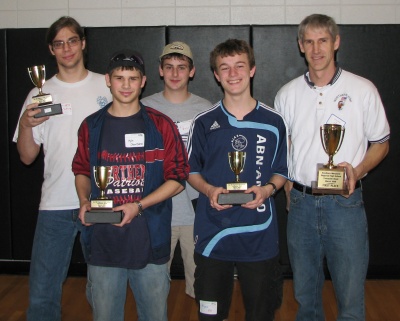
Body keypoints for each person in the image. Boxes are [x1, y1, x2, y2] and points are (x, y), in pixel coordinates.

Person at [274, 14, 390, 321]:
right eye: (309, 42)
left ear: (336, 42)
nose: (316, 49)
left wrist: (358, 170)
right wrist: (288, 189)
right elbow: (283, 150)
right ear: (300, 46)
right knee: (305, 296)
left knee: (350, 297)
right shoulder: (286, 94)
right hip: (301, 204)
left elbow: (382, 144)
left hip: (345, 203)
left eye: (323, 40)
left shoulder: (363, 89)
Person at [72, 49, 189, 321]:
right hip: (104, 243)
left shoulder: (161, 125)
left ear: (143, 81)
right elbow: (81, 170)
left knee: (154, 316)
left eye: (132, 78)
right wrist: (83, 201)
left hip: (149, 241)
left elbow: (178, 179)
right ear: (107, 80)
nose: (126, 85)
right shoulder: (91, 126)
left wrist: (139, 205)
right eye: (119, 78)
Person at [12, 16, 111, 321]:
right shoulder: (38, 95)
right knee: (43, 292)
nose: (66, 48)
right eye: (59, 43)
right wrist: (26, 124)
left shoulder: (106, 86)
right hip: (54, 205)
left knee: (104, 292)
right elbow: (27, 156)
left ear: (83, 44)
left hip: (100, 202)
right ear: (51, 50)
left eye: (72, 40)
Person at [186, 38, 288, 321]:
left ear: (252, 69)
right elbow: (191, 170)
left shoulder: (274, 121)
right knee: (210, 315)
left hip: (260, 237)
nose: (233, 74)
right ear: (216, 75)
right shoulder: (204, 122)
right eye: (225, 68)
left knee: (260, 314)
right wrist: (209, 190)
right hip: (213, 236)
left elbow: (281, 170)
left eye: (239, 66)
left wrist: (267, 190)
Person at [141, 41, 212, 298]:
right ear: (160, 70)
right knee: (153, 291)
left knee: (204, 288)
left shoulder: (206, 110)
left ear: (191, 72)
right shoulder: (143, 109)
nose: (174, 73)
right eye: (168, 67)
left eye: (181, 67)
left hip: (197, 214)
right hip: (159, 212)